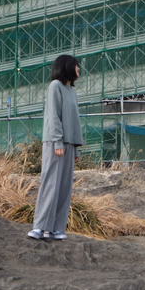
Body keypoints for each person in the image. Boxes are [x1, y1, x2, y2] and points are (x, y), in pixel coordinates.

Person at [27, 54, 84, 241]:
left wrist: (75, 148)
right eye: (76, 65)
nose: (78, 69)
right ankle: (40, 226)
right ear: (67, 67)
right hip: (55, 142)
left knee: (64, 188)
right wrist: (58, 142)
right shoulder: (55, 87)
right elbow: (53, 116)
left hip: (69, 144)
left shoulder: (71, 90)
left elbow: (74, 122)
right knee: (50, 184)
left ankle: (56, 228)